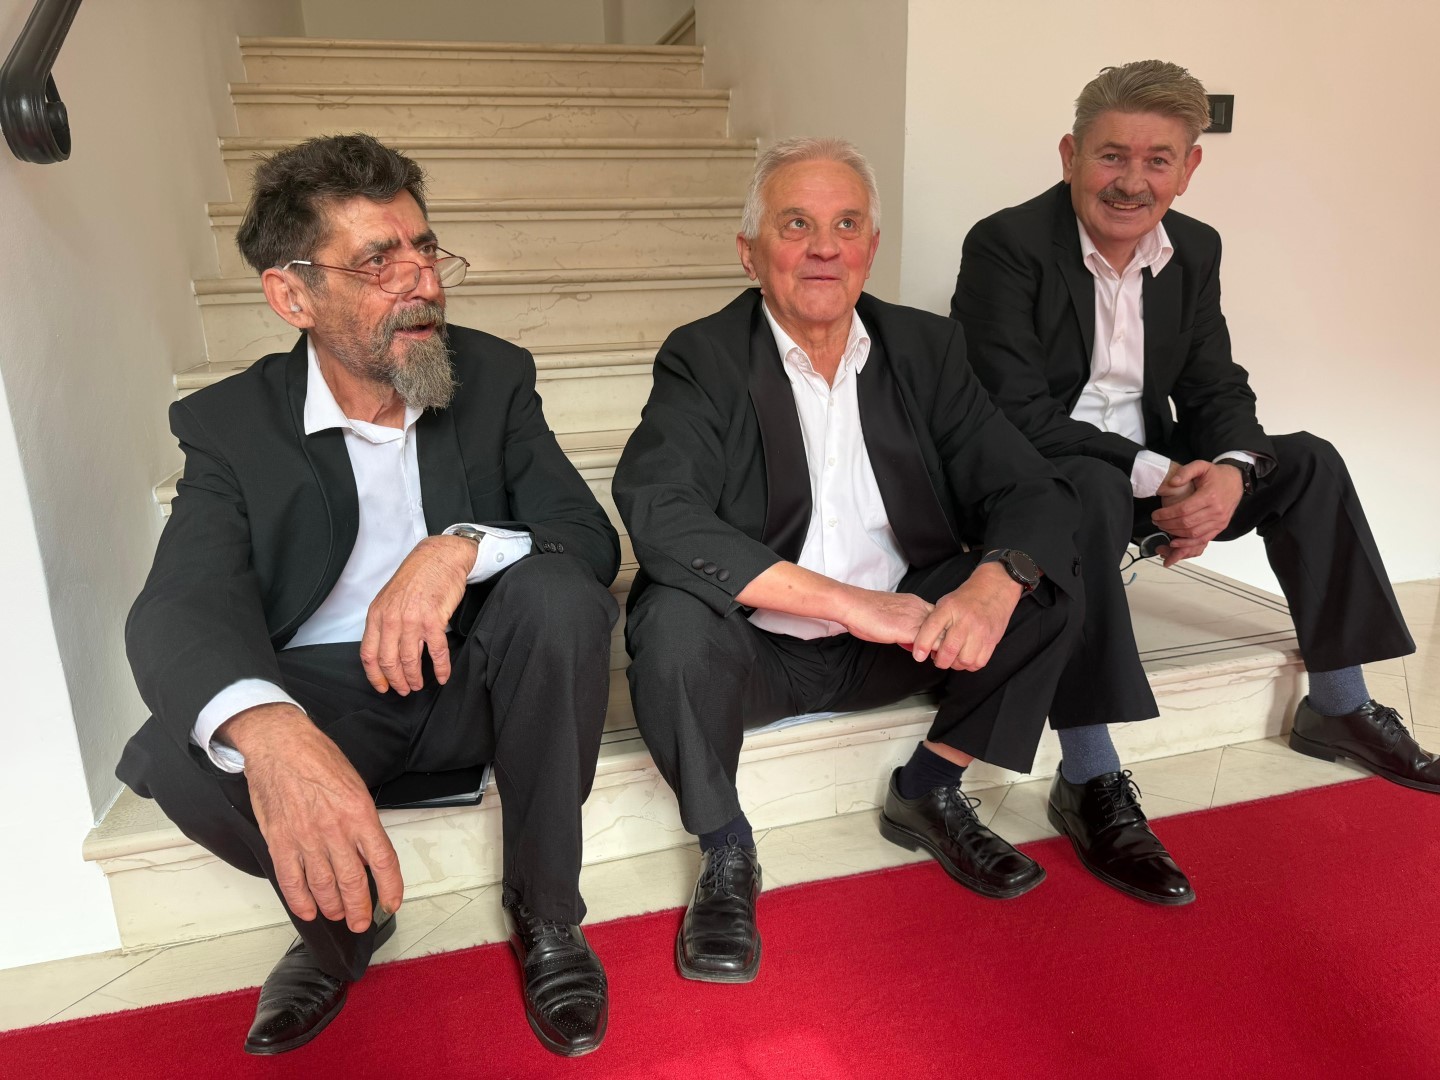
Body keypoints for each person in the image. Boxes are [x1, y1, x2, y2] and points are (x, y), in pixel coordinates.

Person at [119, 134, 620, 1058]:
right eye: (379, 262)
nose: (422, 283)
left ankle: (547, 911)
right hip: (332, 701)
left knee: (562, 598)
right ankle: (342, 929)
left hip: (476, 681)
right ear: (293, 295)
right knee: (175, 748)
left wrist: (458, 547)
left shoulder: (494, 376)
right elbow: (180, 603)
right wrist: (273, 732)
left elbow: (585, 538)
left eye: (424, 249)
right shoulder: (230, 425)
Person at [951, 60, 1429, 905]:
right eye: (1111, 156)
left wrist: (1232, 474)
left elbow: (1215, 386)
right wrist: (1160, 474)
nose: (1131, 181)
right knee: (1091, 486)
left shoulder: (1195, 248)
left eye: (1157, 159)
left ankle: (1340, 706)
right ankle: (1088, 777)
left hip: (1151, 465)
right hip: (1041, 476)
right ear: (1069, 155)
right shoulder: (1006, 245)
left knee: (1308, 459)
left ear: (1189, 167)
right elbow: (1011, 411)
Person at [613, 137, 1084, 984]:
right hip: (758, 652)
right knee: (669, 625)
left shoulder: (926, 349)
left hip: (902, 639)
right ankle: (726, 849)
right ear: (750, 252)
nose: (824, 248)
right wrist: (845, 602)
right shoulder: (705, 355)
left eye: (846, 225)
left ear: (871, 246)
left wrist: (990, 583)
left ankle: (930, 786)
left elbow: (1032, 488)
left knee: (1042, 578)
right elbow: (660, 510)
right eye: (796, 225)